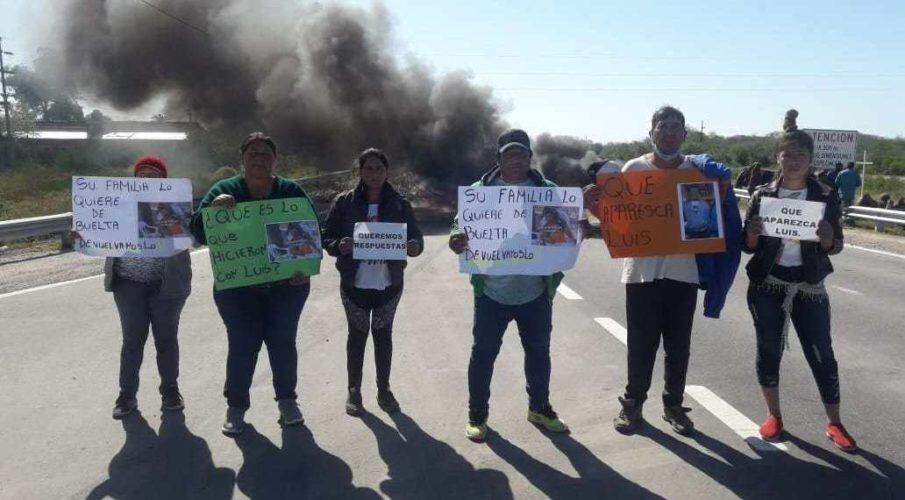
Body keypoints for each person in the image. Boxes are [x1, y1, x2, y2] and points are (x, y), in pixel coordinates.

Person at [584, 106, 741, 437]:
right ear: (651, 133)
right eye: (662, 126)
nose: (669, 132)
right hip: (640, 273)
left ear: (685, 135)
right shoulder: (633, 169)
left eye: (676, 127)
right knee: (640, 344)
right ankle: (633, 405)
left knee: (678, 346)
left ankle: (673, 406)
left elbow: (714, 220)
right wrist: (595, 207)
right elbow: (620, 221)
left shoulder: (698, 174)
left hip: (683, 273)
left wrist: (721, 194)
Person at [449, 129, 574, 442]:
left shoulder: (547, 190)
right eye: (509, 154)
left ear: (530, 158)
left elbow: (564, 230)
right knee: (483, 354)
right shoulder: (480, 192)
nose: (515, 160)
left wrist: (577, 228)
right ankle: (477, 415)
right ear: (498, 159)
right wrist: (456, 238)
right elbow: (459, 224)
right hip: (492, 291)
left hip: (535, 292)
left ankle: (539, 408)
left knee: (539, 352)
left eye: (521, 154)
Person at [742, 109, 856, 452]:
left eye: (800, 155)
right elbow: (748, 247)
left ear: (811, 159)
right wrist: (750, 234)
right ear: (778, 157)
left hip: (809, 286)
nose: (793, 161)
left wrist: (825, 239)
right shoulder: (763, 194)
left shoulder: (824, 195)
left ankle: (835, 422)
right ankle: (773, 415)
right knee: (768, 350)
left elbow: (835, 245)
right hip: (767, 284)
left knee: (821, 353)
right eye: (787, 154)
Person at [191, 132, 316, 436]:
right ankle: (236, 408)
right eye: (253, 153)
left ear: (275, 160)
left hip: (287, 287)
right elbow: (197, 230)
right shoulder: (224, 189)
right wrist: (212, 211)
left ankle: (287, 401)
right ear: (242, 159)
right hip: (237, 290)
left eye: (265, 153)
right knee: (243, 347)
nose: (259, 158)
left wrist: (305, 268)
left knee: (283, 345)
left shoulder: (290, 190)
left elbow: (312, 231)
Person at [322, 148, 424, 416]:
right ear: (360, 171)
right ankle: (354, 391)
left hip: (389, 284)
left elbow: (416, 239)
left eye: (379, 168)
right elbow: (327, 237)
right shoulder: (344, 202)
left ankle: (383, 389)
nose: (374, 173)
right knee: (356, 336)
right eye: (369, 168)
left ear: (386, 171)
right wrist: (338, 245)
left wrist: (413, 247)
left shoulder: (401, 204)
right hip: (354, 283)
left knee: (383, 335)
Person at [91, 156, 193, 419]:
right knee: (132, 341)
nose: (146, 178)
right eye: (142, 174)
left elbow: (188, 235)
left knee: (167, 340)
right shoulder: (118, 203)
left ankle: (170, 390)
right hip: (128, 283)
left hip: (166, 284)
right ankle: (127, 396)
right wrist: (85, 231)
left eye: (153, 174)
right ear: (134, 179)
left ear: (163, 180)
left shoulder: (175, 204)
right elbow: (99, 230)